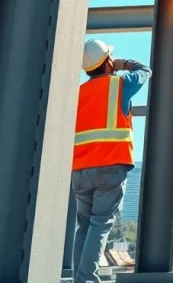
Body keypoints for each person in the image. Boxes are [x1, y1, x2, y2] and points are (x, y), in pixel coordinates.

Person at [72, 38, 151, 283]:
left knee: (84, 226)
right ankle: (86, 280)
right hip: (110, 167)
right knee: (100, 224)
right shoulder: (120, 84)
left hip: (80, 170)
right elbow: (145, 70)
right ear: (107, 62)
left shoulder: (78, 93)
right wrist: (121, 63)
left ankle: (80, 279)